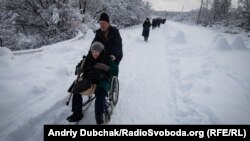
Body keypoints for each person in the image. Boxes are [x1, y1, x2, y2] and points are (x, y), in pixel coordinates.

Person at [67, 42, 118, 124]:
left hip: (102, 81)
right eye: (93, 51)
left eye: (97, 51)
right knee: (76, 89)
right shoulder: (87, 58)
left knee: (100, 96)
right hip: (89, 80)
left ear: (101, 51)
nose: (95, 53)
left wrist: (106, 68)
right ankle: (77, 114)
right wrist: (78, 69)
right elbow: (79, 65)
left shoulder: (107, 59)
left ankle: (99, 119)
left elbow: (115, 71)